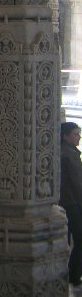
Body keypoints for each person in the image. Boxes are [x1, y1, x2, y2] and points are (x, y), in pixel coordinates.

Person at [60, 121, 82, 286]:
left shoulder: (65, 151)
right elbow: (77, 183)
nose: (79, 136)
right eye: (75, 133)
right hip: (72, 203)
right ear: (65, 136)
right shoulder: (69, 154)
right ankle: (73, 275)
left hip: (64, 203)